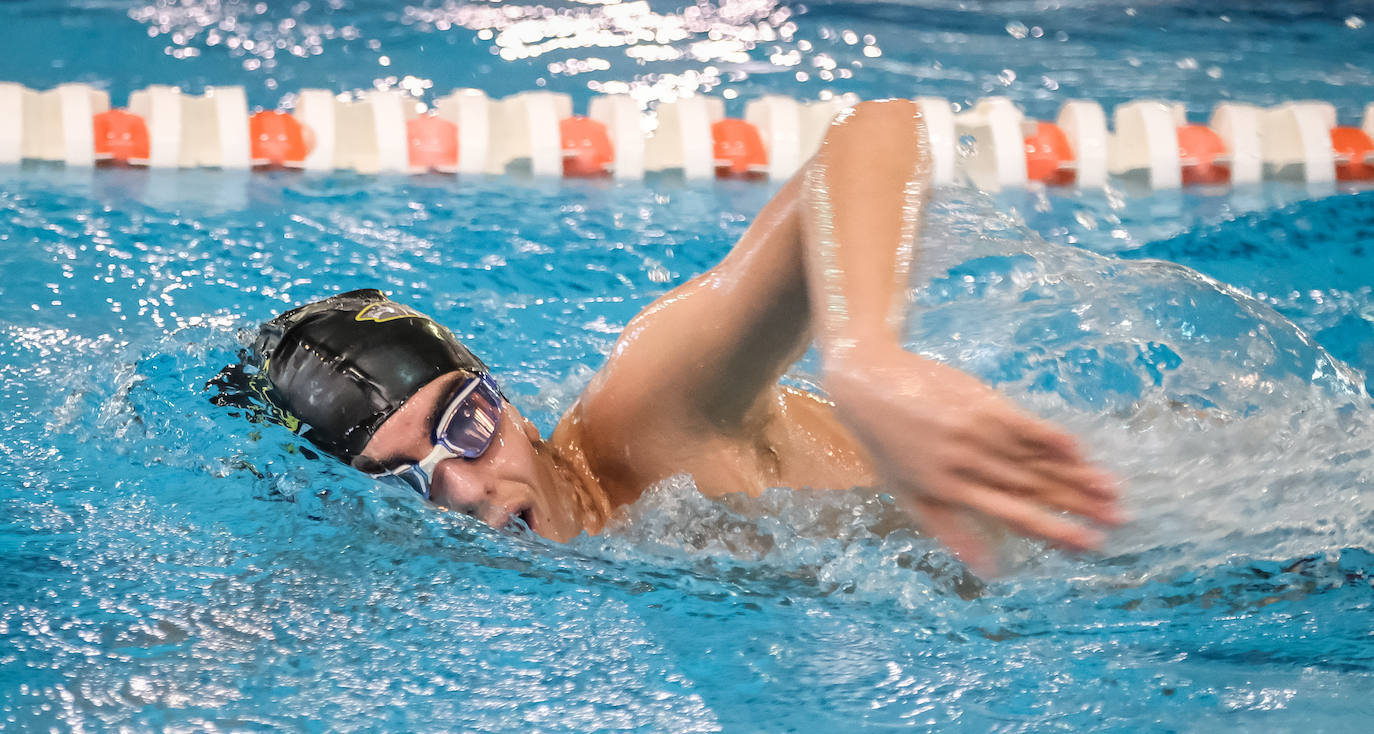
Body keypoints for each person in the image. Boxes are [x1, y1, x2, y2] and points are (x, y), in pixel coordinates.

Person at [244, 99, 1122, 575]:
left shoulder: (647, 418)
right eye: (410, 481)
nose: (469, 489)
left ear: (502, 397)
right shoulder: (560, 556)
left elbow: (879, 131)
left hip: (1131, 521)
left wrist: (865, 358)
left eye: (464, 424)